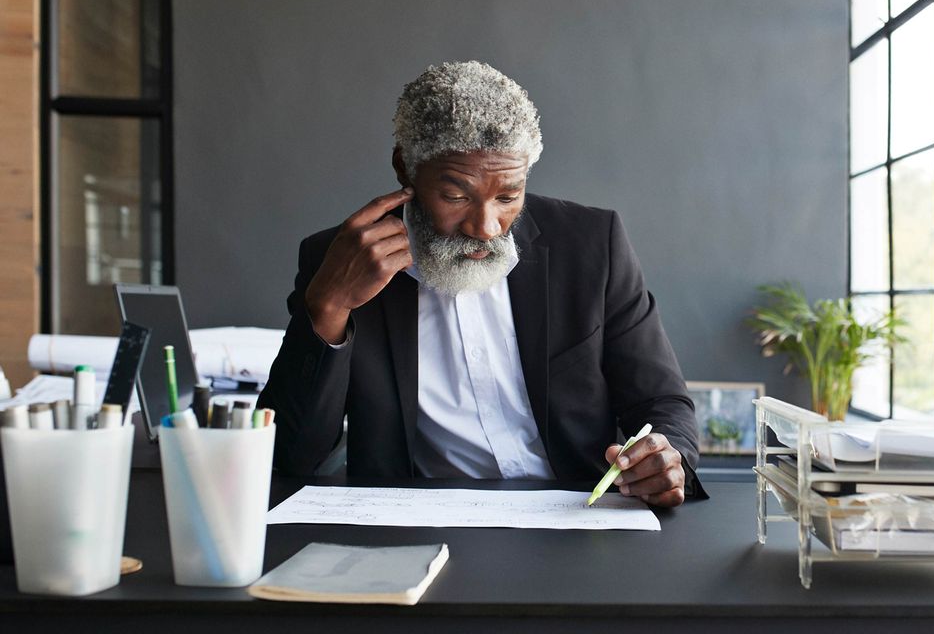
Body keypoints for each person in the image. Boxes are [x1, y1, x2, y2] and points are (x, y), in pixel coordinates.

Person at [258, 61, 704, 506]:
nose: (486, 226)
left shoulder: (590, 245)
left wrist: (667, 458)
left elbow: (662, 403)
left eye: (508, 196)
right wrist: (329, 307)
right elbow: (292, 455)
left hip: (579, 518)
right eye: (455, 196)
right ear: (405, 169)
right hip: (420, 526)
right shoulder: (340, 262)